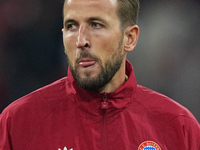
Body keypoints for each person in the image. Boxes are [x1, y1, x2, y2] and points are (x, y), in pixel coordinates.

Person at [0, 0, 200, 149]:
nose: (81, 41)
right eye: (72, 26)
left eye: (96, 25)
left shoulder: (178, 126)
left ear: (129, 38)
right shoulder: (18, 122)